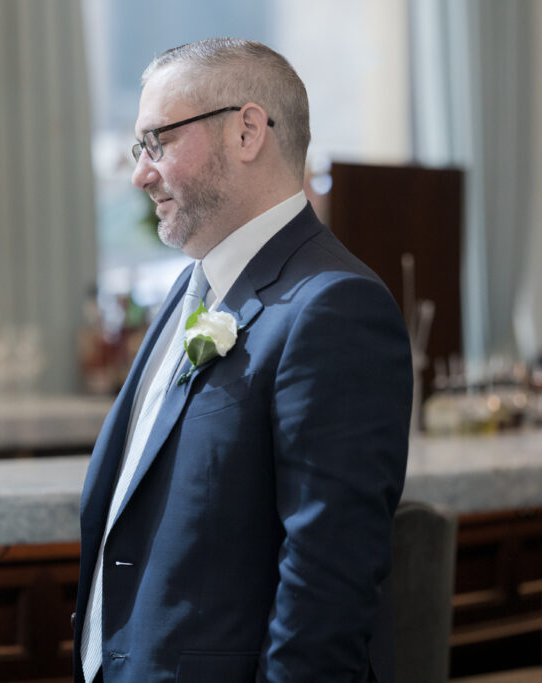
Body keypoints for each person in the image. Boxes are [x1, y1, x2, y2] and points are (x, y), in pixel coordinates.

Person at [74, 38, 412, 682]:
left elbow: (327, 582)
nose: (141, 173)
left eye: (157, 142)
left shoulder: (335, 307)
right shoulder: (192, 287)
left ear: (247, 130)